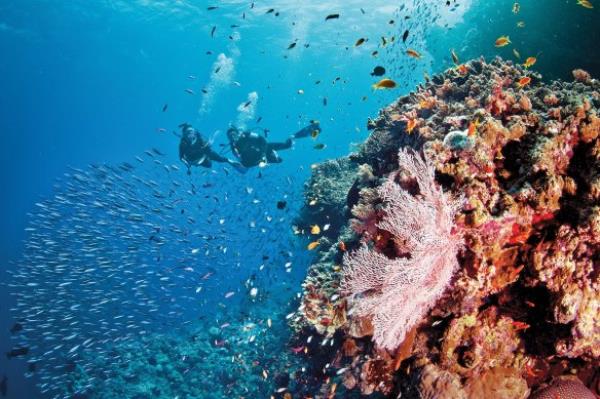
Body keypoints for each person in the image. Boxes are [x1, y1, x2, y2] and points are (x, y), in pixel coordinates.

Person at [226, 121, 321, 168]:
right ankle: (272, 157)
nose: (232, 136)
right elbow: (240, 159)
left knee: (287, 145)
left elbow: (262, 139)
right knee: (279, 160)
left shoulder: (246, 135)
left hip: (264, 148)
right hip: (256, 159)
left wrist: (264, 153)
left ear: (237, 132)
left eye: (233, 134)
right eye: (230, 136)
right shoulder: (233, 146)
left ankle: (307, 131)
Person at [178, 123, 243, 174]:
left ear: (194, 132)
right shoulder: (183, 144)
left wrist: (208, 145)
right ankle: (216, 160)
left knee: (217, 157)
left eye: (191, 132)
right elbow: (181, 158)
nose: (190, 134)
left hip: (203, 154)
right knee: (209, 165)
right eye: (187, 133)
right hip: (194, 159)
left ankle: (229, 161)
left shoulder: (198, 138)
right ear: (184, 135)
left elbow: (207, 148)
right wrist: (188, 165)